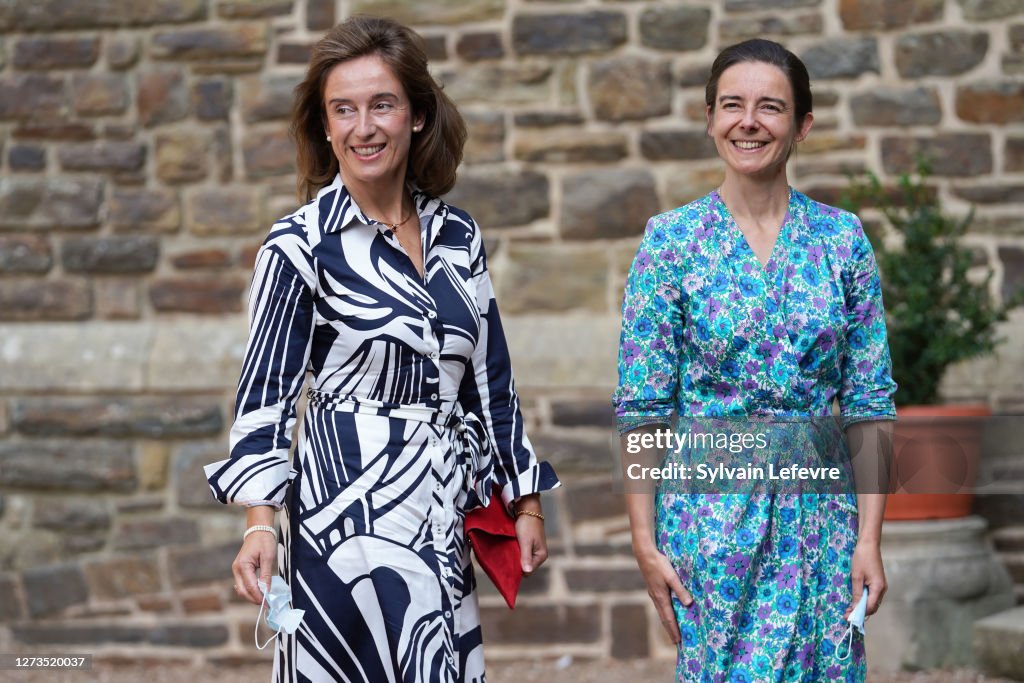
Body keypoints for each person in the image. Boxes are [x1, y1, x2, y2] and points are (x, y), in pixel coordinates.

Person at [204, 15, 559, 683]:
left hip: (440, 504)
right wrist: (260, 525)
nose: (363, 126)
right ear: (326, 126)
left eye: (381, 105)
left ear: (417, 115)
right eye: (344, 109)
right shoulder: (299, 245)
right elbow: (268, 398)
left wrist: (524, 499)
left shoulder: (458, 236)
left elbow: (490, 378)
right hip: (344, 511)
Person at [614, 39, 896, 681]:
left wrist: (869, 540)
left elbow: (870, 401)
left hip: (822, 522)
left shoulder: (842, 240)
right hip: (709, 521)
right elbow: (642, 405)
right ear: (710, 118)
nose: (749, 121)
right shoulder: (671, 245)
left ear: (802, 126)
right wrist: (643, 540)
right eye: (732, 105)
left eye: (771, 107)